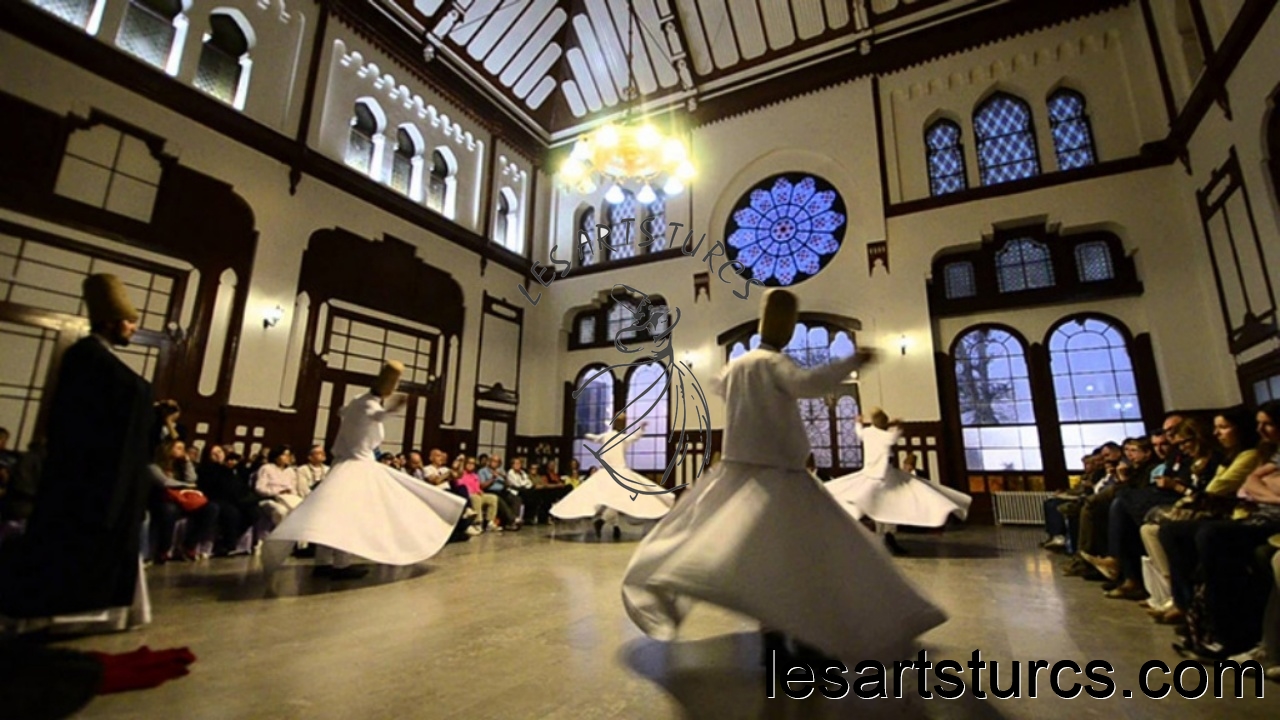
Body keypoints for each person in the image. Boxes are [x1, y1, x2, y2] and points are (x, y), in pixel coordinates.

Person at [622, 289, 946, 668]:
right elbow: (810, 384)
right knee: (802, 561)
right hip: (779, 478)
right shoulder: (772, 364)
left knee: (765, 561)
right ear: (785, 327)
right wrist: (854, 360)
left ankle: (774, 640)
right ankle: (802, 640)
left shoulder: (739, 366)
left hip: (741, 475)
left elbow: (720, 383)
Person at [0, 275, 155, 633]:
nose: (133, 328)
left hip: (95, 468)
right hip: (88, 473)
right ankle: (62, 617)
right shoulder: (86, 357)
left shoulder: (96, 359)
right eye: (129, 322)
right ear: (109, 322)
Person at [263, 362, 465, 580]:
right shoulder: (368, 405)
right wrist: (394, 408)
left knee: (330, 515)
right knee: (349, 516)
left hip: (345, 465)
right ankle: (340, 564)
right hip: (357, 466)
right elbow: (376, 415)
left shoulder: (357, 401)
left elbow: (344, 411)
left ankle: (324, 562)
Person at [827, 408, 971, 555]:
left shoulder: (869, 432)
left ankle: (879, 537)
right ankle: (884, 537)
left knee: (874, 505)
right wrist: (897, 424)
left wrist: (858, 422)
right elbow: (895, 434)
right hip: (886, 478)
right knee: (897, 502)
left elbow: (860, 432)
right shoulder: (886, 436)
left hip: (870, 475)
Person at [551, 415, 673, 540]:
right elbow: (634, 437)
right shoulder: (619, 437)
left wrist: (585, 433)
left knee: (613, 500)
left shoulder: (610, 436)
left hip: (611, 472)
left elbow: (594, 438)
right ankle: (606, 522)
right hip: (615, 472)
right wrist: (641, 428)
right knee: (614, 499)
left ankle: (609, 524)